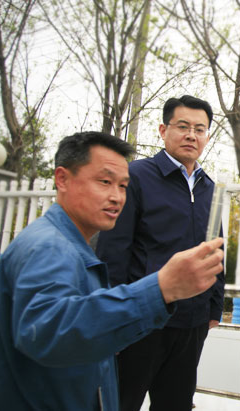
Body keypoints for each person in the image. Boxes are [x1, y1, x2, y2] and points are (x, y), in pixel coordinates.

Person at [0, 132, 224, 410]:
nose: (117, 196)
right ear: (62, 179)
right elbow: (48, 333)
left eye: (123, 186)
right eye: (105, 182)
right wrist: (161, 288)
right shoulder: (48, 248)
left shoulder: (73, 246)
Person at [96, 95, 225, 411]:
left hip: (192, 322)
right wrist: (114, 317)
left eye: (199, 129)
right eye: (183, 126)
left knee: (176, 403)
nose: (191, 135)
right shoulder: (137, 176)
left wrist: (214, 306)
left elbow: (215, 249)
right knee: (121, 401)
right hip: (143, 317)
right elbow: (114, 250)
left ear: (207, 136)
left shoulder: (209, 187)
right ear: (163, 130)